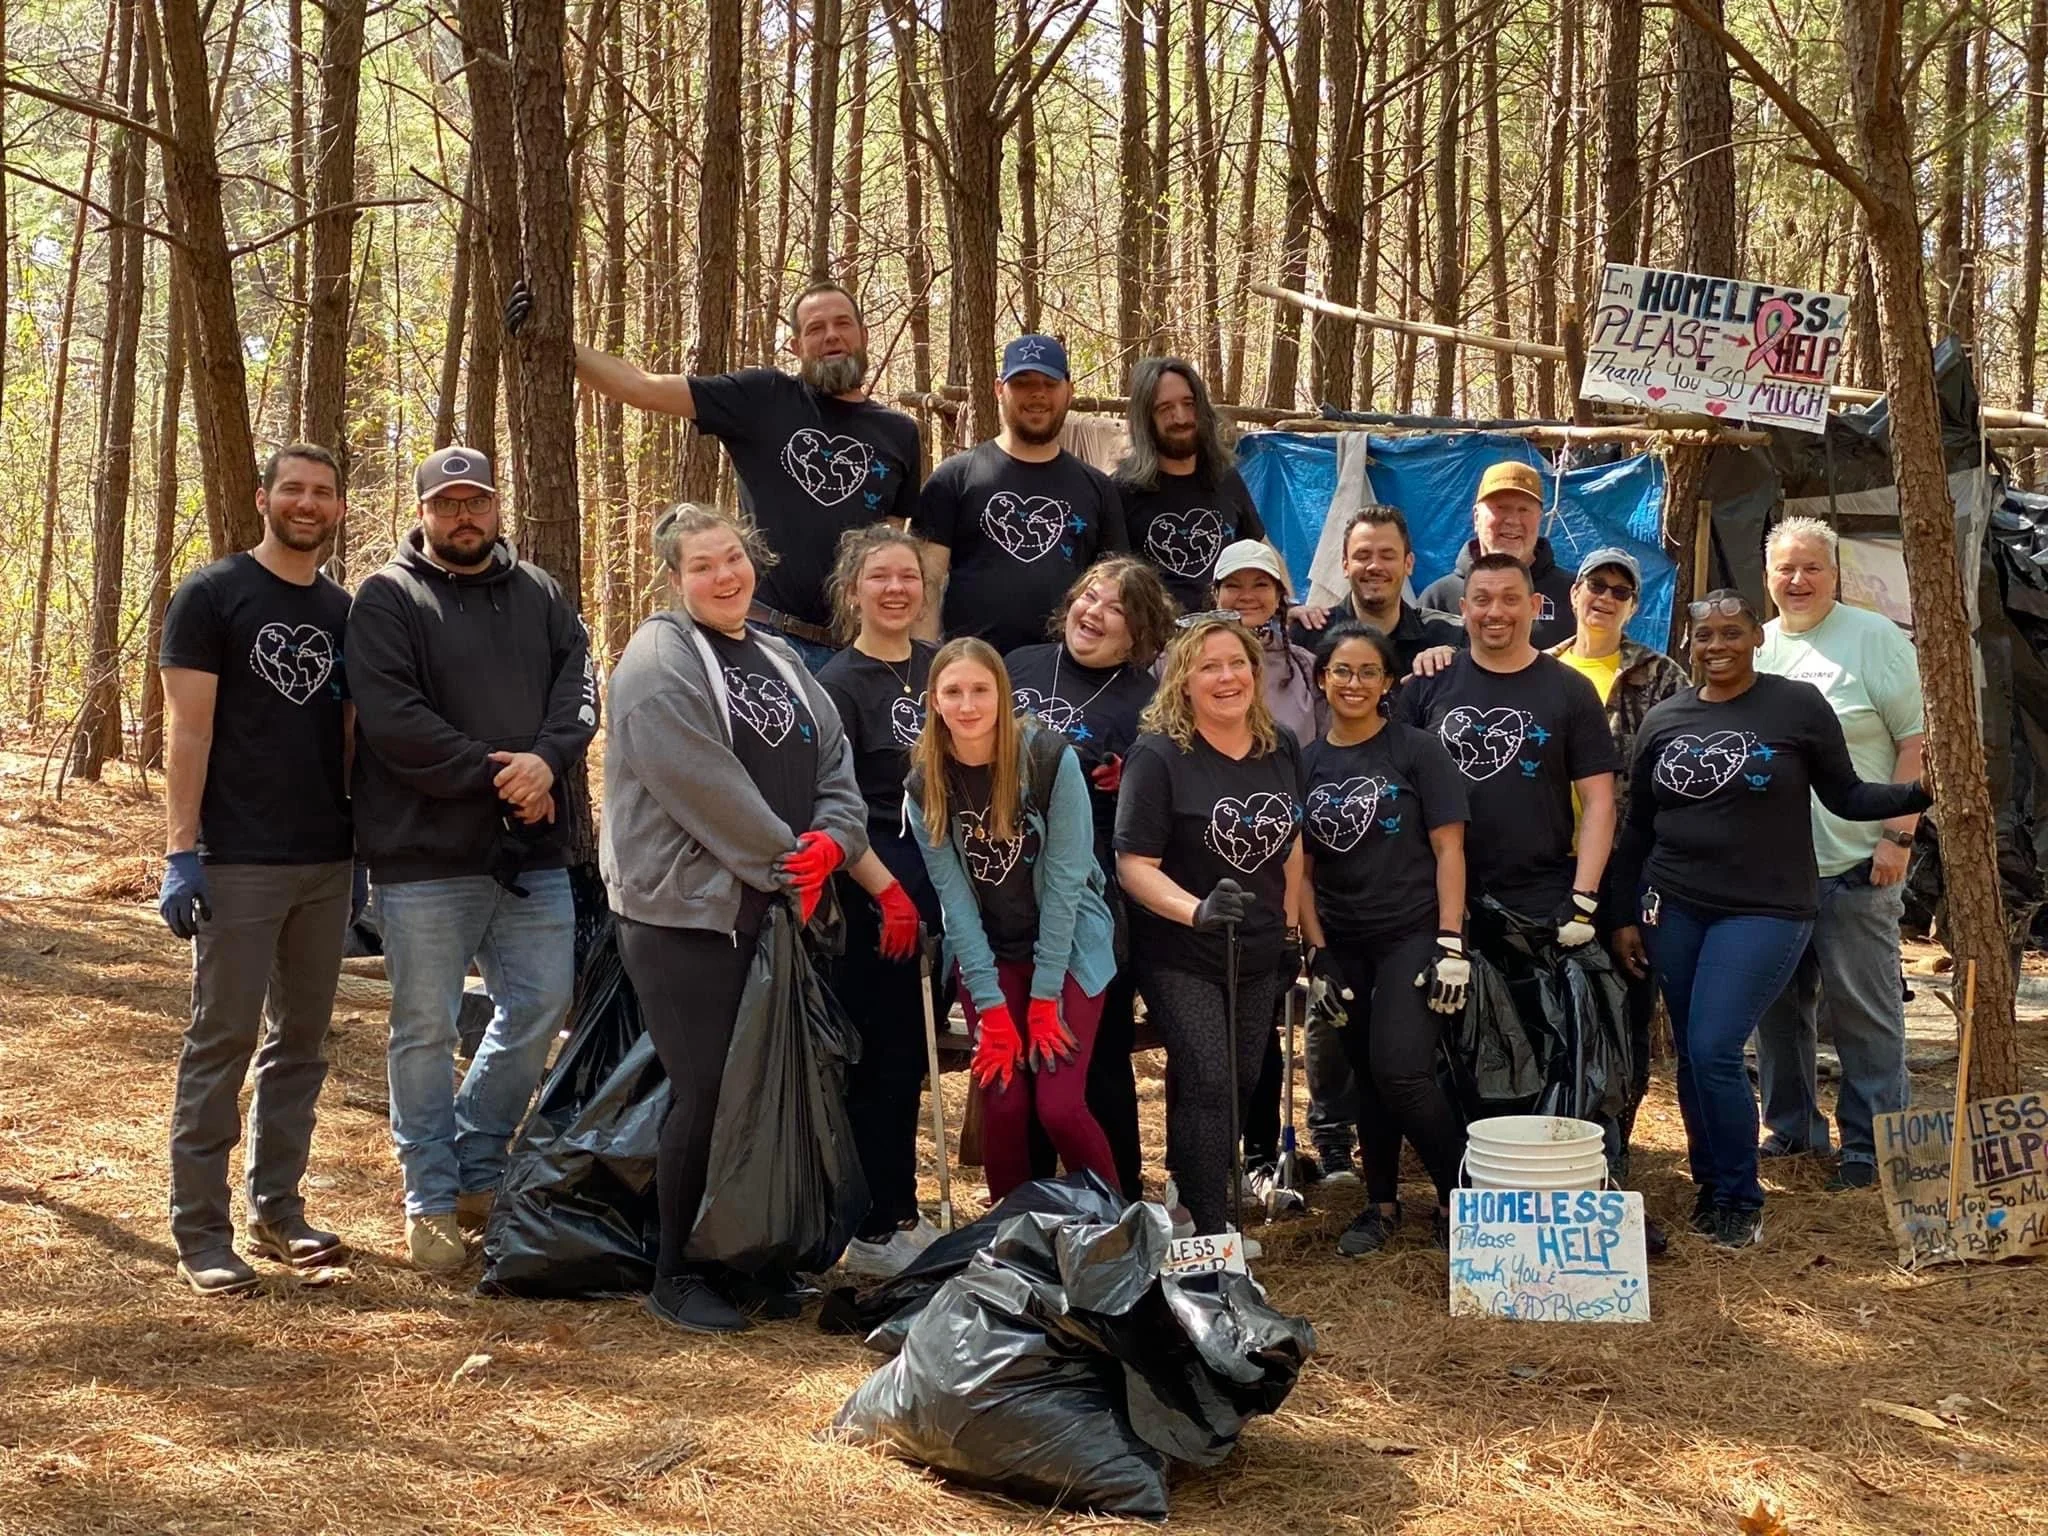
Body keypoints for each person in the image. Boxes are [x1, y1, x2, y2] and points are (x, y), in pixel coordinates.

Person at [601, 503, 869, 1333]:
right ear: (673, 579)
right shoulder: (658, 661)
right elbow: (703, 785)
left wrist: (835, 841)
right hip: (686, 913)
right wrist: (791, 862)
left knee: (763, 1088)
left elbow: (835, 762)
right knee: (708, 1088)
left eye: (733, 559)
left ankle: (745, 1258)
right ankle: (676, 1272)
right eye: (702, 566)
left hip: (774, 902)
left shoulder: (779, 656)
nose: (724, 577)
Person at [1611, 592, 1931, 1247]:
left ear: (1758, 638)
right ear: (1690, 646)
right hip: (1674, 907)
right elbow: (1638, 826)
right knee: (1695, 1056)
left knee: (1715, 1047)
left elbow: (1847, 794)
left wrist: (1922, 793)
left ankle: (1740, 1198)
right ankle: (1711, 1184)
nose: (1718, 646)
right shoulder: (1666, 719)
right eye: (1705, 636)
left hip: (1766, 908)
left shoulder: (1795, 705)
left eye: (1732, 632)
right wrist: (1622, 915)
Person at [347, 446, 597, 1272]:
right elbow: (394, 719)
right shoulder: (388, 597)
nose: (464, 516)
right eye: (447, 503)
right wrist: (506, 777)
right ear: (422, 512)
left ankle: (477, 1164)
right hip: (424, 856)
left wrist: (547, 761)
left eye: (477, 501)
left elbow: (579, 689)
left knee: (539, 1007)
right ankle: (429, 1194)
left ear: (496, 507)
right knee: (423, 1028)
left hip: (531, 854)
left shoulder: (541, 594)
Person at [157, 444, 357, 1295]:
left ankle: (277, 1208)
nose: (307, 503)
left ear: (338, 508)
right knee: (223, 1041)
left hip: (326, 859)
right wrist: (181, 850)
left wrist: (362, 845)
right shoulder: (211, 595)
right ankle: (200, 1231)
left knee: (301, 1045)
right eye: (293, 489)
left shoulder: (347, 611)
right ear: (263, 497)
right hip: (236, 859)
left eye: (323, 492)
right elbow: (188, 731)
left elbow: (349, 734)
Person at [530, 279, 920, 667]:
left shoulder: (900, 433)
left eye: (842, 323)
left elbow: (888, 553)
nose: (831, 335)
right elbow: (642, 387)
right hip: (765, 639)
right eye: (816, 328)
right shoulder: (763, 398)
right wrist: (554, 339)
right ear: (796, 346)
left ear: (863, 335)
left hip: (855, 652)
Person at [907, 640, 1123, 1202]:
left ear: (1003, 695)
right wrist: (993, 1008)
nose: (968, 705)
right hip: (992, 953)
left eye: (981, 690)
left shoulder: (1050, 759)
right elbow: (955, 905)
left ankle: (1116, 1224)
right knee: (1002, 1098)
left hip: (1069, 948)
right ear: (935, 702)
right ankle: (1012, 1231)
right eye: (953, 692)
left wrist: (1045, 997)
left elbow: (1067, 884)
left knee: (1058, 1105)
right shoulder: (925, 785)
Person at [1116, 615, 1306, 1239]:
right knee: (1207, 1074)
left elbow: (1292, 847)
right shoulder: (1158, 756)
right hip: (1181, 949)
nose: (1227, 678)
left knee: (1243, 1081)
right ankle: (1208, 1226)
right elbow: (1133, 866)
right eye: (1209, 667)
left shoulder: (1281, 746)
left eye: (1237, 663)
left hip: (1258, 949)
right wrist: (1194, 909)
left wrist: (1292, 933)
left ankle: (1193, 1187)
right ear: (1182, 680)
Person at [1752, 517, 1928, 1191]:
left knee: (1864, 1013)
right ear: (1767, 576)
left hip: (1857, 865)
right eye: (1785, 568)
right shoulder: (1759, 646)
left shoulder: (1873, 638)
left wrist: (1897, 835)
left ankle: (1871, 1144)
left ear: (1835, 575)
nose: (1797, 580)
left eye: (1812, 568)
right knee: (1777, 1012)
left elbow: (1917, 743)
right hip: (1773, 874)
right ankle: (1792, 1129)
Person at [1297, 624, 1471, 1254]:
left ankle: (1462, 1199)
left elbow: (1449, 849)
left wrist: (1450, 942)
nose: (1354, 683)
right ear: (1322, 679)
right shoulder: (1304, 763)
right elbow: (1301, 871)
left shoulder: (1417, 750)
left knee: (1402, 1071)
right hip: (1342, 942)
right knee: (1367, 1076)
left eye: (1368, 671)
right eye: (1341, 671)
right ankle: (1382, 1204)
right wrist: (1317, 953)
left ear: (1388, 682)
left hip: (1413, 934)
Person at [1006, 556, 1175, 1198]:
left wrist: (1134, 778)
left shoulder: (1148, 702)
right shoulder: (1018, 665)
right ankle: (1029, 1204)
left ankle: (1116, 1199)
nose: (1095, 614)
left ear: (1139, 635)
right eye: (1090, 598)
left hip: (1092, 899)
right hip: (1008, 890)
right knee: (1026, 1057)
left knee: (1097, 1055)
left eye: (1117, 610)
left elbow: (1167, 790)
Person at [815, 526, 944, 1278]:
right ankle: (875, 1224)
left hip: (941, 887)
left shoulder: (939, 667)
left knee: (912, 1060)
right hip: (874, 892)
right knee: (882, 1062)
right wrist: (885, 892)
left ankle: (902, 1208)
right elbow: (834, 803)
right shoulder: (838, 684)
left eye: (908, 577)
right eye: (880, 577)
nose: (896, 589)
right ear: (852, 590)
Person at [1548, 547, 1688, 1189]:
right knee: (1552, 1007)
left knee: (1626, 1009)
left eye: (1619, 590)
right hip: (1549, 863)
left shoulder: (1660, 676)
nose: (1604, 597)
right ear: (1574, 594)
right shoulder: (1544, 669)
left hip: (1630, 866)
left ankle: (1614, 1147)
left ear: (1633, 605)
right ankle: (1552, 1139)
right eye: (1595, 586)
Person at [1208, 538, 1340, 1183]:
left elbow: (1325, 751)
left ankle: (1263, 1151)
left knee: (1265, 1015)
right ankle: (1214, 1155)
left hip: (1289, 850)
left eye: (1261, 585)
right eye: (1234, 585)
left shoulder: (1308, 667)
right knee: (1218, 1022)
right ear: (1214, 594)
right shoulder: (1182, 661)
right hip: (1209, 849)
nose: (1247, 597)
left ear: (1282, 596)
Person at [1398, 552, 1617, 938]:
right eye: (1482, 600)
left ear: (1534, 606)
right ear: (1464, 609)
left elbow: (1599, 800)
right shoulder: (1427, 684)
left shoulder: (1572, 690)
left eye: (1510, 599)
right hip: (1434, 895)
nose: (1495, 612)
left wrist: (1583, 898)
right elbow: (1396, 788)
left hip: (1538, 897)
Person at [915, 335, 1129, 654]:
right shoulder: (953, 478)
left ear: (1069, 391)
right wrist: (924, 662)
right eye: (1023, 383)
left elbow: (1116, 591)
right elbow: (925, 583)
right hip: (973, 670)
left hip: (1064, 671)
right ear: (999, 389)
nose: (1037, 393)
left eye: (1049, 383)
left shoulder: (1098, 488)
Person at [1115, 356, 1267, 612]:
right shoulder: (1120, 491)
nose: (1181, 417)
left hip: (1225, 630)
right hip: (1156, 634)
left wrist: (1289, 606)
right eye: (1165, 408)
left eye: (1189, 404)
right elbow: (1111, 580)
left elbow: (1263, 549)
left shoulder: (1226, 478)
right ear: (1146, 420)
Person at [1416, 461, 1578, 649]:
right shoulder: (1439, 598)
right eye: (1501, 508)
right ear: (1476, 517)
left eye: (1524, 510)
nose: (1513, 520)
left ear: (1539, 518)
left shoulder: (1573, 596)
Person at [1288, 506, 1464, 674]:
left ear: (1408, 564)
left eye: (1387, 556)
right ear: (1345, 565)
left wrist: (1456, 661)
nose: (1375, 566)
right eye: (1362, 556)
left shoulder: (1448, 637)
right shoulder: (1307, 638)